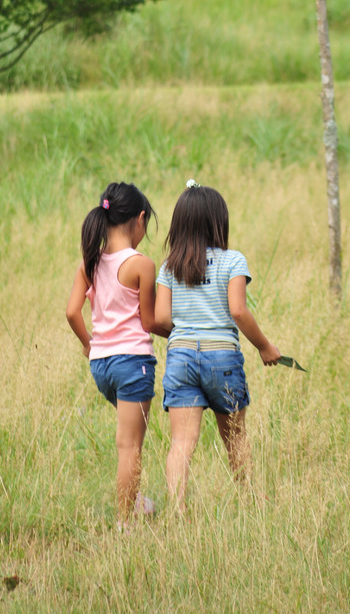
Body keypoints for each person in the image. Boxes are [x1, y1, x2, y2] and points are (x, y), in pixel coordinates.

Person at [154, 180, 281, 511]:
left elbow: (161, 317)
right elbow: (238, 310)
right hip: (221, 355)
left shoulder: (169, 267)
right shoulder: (233, 261)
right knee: (235, 438)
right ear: (218, 221)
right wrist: (265, 346)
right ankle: (247, 499)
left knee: (182, 442)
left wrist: (185, 336)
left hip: (180, 356)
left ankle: (178, 510)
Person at [66, 181, 168, 526]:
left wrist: (88, 343)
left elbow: (71, 312)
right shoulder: (141, 264)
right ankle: (125, 523)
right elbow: (150, 321)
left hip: (101, 368)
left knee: (128, 442)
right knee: (130, 447)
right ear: (139, 220)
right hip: (133, 365)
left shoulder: (90, 263)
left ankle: (137, 500)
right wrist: (181, 331)